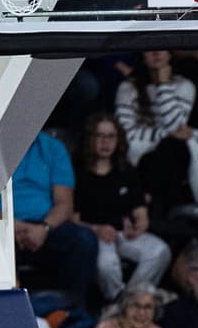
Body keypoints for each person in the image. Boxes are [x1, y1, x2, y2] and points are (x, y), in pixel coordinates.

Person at [0, 131, 102, 310]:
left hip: (44, 225)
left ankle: (71, 312)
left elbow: (65, 203)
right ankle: (5, 313)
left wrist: (44, 228)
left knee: (84, 240)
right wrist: (13, 226)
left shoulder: (53, 148)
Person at [74, 113, 172, 301]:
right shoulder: (78, 173)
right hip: (95, 234)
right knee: (106, 263)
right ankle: (122, 301)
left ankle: (126, 302)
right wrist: (97, 229)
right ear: (90, 139)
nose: (106, 142)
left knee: (160, 251)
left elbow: (140, 212)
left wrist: (139, 226)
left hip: (123, 233)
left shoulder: (125, 170)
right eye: (100, 136)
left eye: (111, 136)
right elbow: (73, 219)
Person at [115, 50, 198, 218]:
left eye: (161, 48)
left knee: (172, 148)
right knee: (171, 146)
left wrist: (163, 85)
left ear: (170, 54)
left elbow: (176, 127)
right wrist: (166, 135)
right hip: (137, 153)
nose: (156, 53)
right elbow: (124, 135)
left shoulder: (185, 86)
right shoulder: (128, 87)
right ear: (142, 56)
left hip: (168, 153)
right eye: (150, 50)